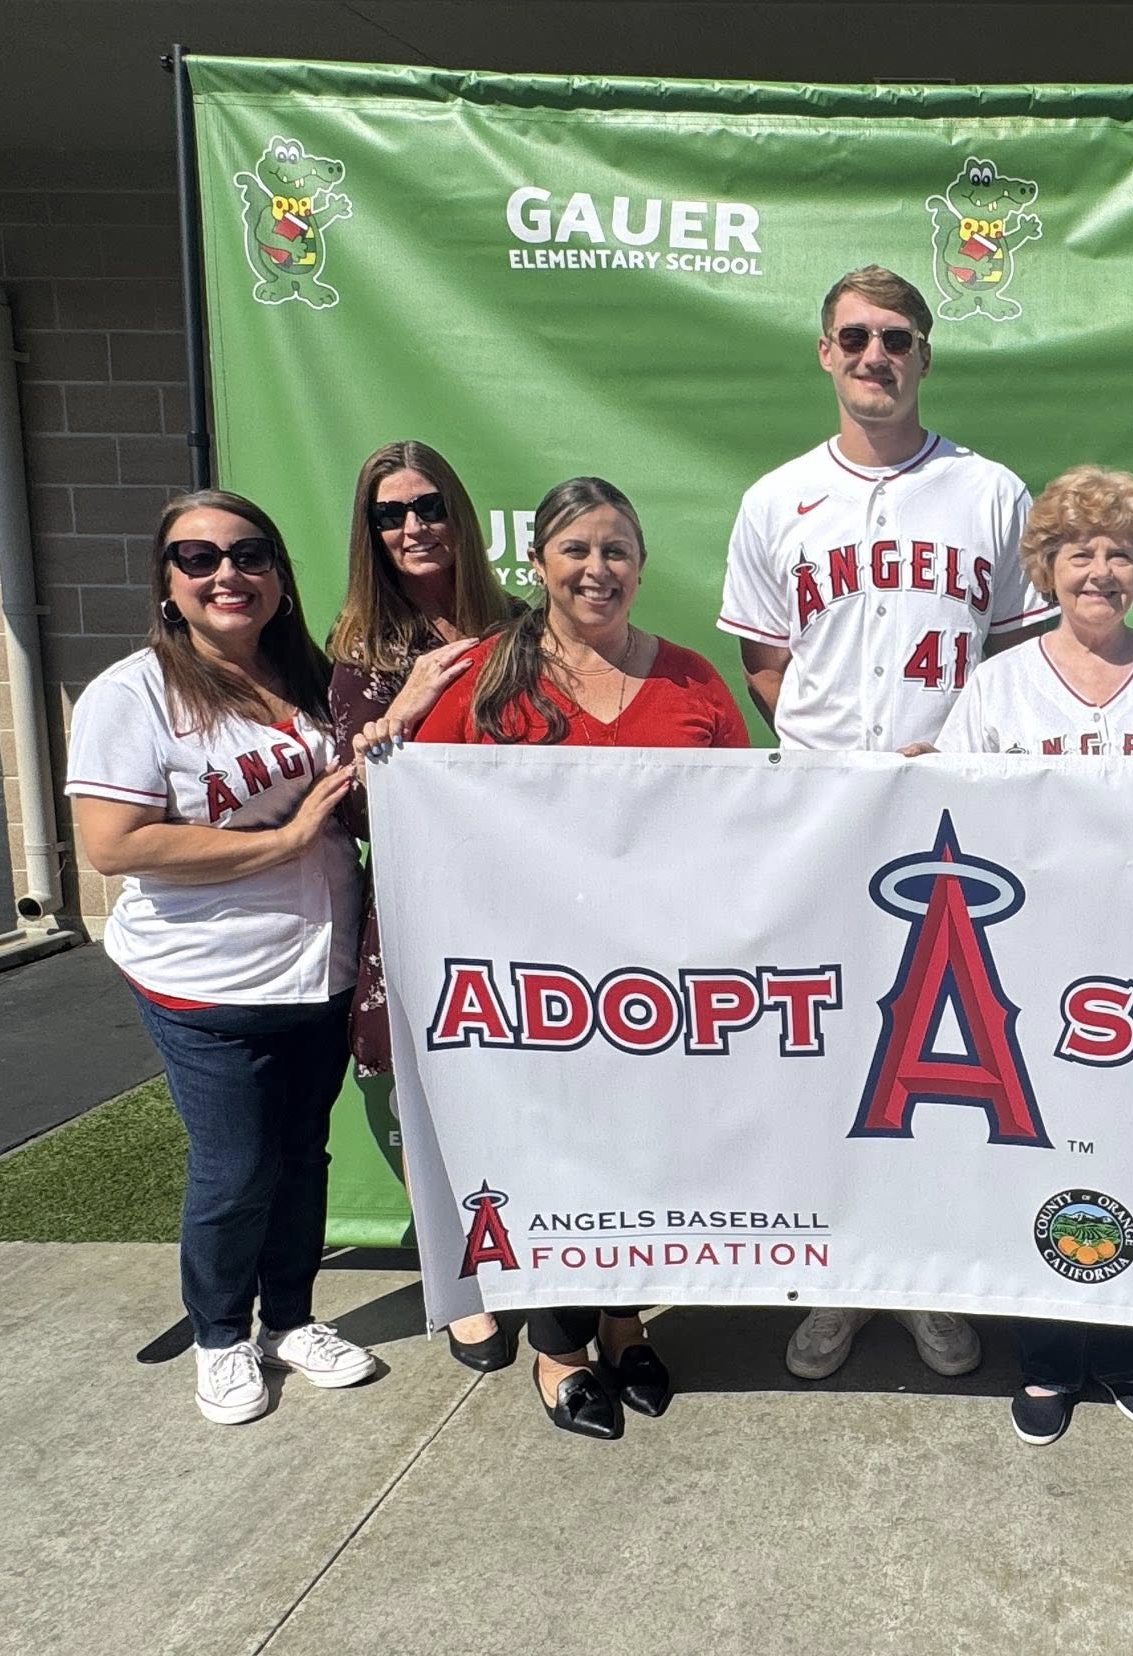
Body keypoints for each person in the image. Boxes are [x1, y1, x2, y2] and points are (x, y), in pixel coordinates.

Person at [719, 263, 1053, 1383]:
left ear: (924, 355)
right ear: (824, 352)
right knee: (831, 1053)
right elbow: (763, 655)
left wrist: (956, 754)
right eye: (854, 337)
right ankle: (837, 1279)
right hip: (819, 811)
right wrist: (830, 759)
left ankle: (931, 1277)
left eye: (897, 338)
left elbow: (1021, 655)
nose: (875, 356)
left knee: (949, 1048)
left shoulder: (992, 491)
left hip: (958, 810)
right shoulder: (775, 498)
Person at [402, 475, 749, 1440]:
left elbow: (745, 818)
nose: (598, 569)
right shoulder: (486, 678)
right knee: (551, 1156)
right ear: (540, 564)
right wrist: (390, 726)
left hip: (661, 979)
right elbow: (418, 803)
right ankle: (560, 1344)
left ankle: (624, 1315)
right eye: (577, 550)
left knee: (644, 1153)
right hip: (531, 987)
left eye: (617, 551)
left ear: (640, 565)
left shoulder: (691, 678)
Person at [932, 464, 1133, 1443]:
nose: (1100, 572)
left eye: (1120, 553)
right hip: (1031, 981)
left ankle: (1122, 1346)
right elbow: (945, 823)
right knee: (1042, 1166)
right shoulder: (996, 687)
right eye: (1079, 552)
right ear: (1046, 567)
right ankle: (1045, 1356)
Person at [66, 490, 377, 1425]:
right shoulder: (135, 694)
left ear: (278, 576)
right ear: (168, 587)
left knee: (301, 1156)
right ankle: (219, 1336)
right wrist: (277, 847)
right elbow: (114, 843)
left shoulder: (309, 676)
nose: (226, 574)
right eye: (196, 560)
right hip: (205, 979)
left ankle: (290, 1318)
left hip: (318, 966)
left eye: (248, 554)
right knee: (236, 1167)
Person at [327, 439, 520, 1374]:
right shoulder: (362, 651)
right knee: (419, 1089)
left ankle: (544, 1256)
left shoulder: (525, 628)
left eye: (428, 505)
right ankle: (466, 1283)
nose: (413, 527)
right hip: (414, 905)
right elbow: (351, 807)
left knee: (527, 1084)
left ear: (460, 514)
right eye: (390, 514)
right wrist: (399, 711)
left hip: (523, 903)